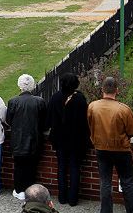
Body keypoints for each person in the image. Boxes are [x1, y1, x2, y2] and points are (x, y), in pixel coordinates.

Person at [87, 77, 133, 213]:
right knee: (127, 182)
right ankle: (132, 210)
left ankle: (105, 211)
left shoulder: (93, 106)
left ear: (102, 89)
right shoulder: (124, 109)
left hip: (101, 149)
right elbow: (132, 130)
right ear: (117, 90)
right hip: (121, 150)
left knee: (105, 182)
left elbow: (90, 125)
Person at [45, 72, 89, 206]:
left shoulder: (54, 98)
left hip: (59, 139)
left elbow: (48, 120)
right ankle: (73, 199)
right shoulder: (80, 99)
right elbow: (85, 121)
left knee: (61, 166)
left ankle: (62, 197)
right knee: (75, 167)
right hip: (76, 139)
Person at [6, 74, 46, 200]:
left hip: (18, 139)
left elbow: (9, 120)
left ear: (19, 86)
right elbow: (44, 122)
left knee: (19, 166)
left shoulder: (13, 102)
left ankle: (19, 190)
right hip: (34, 139)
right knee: (31, 166)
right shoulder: (39, 101)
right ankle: (29, 191)